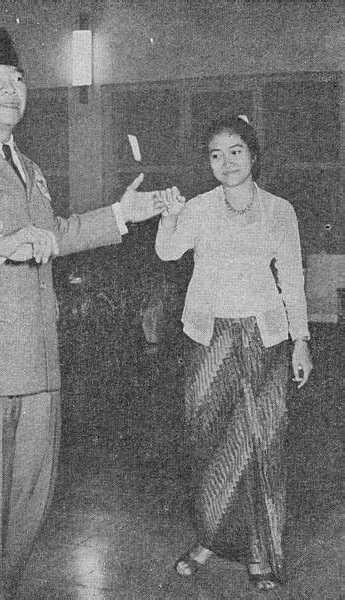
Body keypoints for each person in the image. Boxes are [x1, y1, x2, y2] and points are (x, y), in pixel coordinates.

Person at [0, 28, 165, 600]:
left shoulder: (31, 167)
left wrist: (122, 213)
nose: (12, 89)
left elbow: (53, 235)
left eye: (19, 78)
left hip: (37, 361)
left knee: (28, 505)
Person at [155, 115, 312, 592]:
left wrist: (300, 340)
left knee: (261, 445)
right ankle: (210, 539)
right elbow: (167, 252)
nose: (226, 162)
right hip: (210, 337)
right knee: (207, 444)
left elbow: (293, 280)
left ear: (253, 154)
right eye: (216, 154)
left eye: (236, 151)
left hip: (265, 338)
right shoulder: (200, 208)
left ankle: (261, 550)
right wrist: (170, 214)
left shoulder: (279, 210)